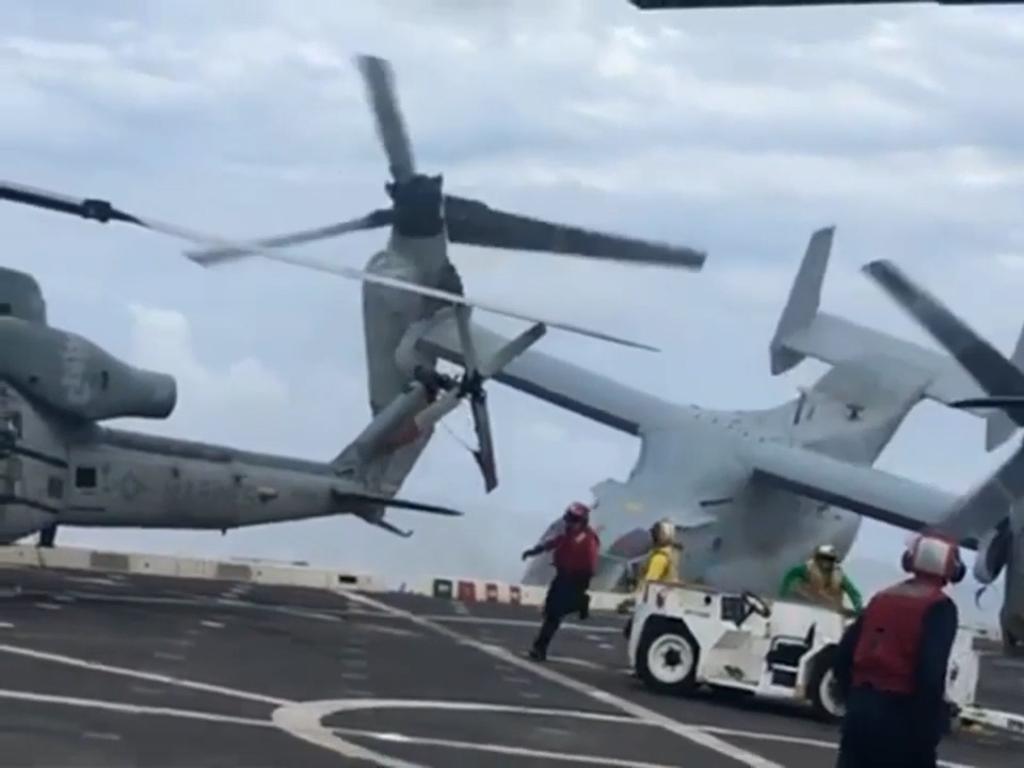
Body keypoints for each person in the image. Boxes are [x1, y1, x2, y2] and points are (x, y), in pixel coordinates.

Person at [832, 532, 964, 768]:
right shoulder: (940, 608)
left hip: (860, 709)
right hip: (901, 713)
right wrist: (928, 726)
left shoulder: (882, 598)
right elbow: (931, 673)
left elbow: (844, 653)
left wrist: (852, 698)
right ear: (951, 568)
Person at [522, 501, 600, 661]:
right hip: (562, 577)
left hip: (576, 579)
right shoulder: (568, 534)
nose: (569, 523)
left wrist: (583, 581)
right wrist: (534, 551)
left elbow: (591, 563)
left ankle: (580, 602)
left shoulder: (589, 538)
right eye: (569, 519)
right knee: (550, 612)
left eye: (573, 520)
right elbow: (553, 543)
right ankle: (540, 648)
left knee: (554, 614)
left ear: (582, 521)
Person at [779, 544, 863, 614]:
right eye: (823, 557)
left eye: (830, 559)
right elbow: (790, 576)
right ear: (817, 558)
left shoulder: (839, 576)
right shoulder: (806, 569)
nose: (826, 561)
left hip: (830, 613)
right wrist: (783, 594)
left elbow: (853, 592)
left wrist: (858, 607)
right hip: (802, 607)